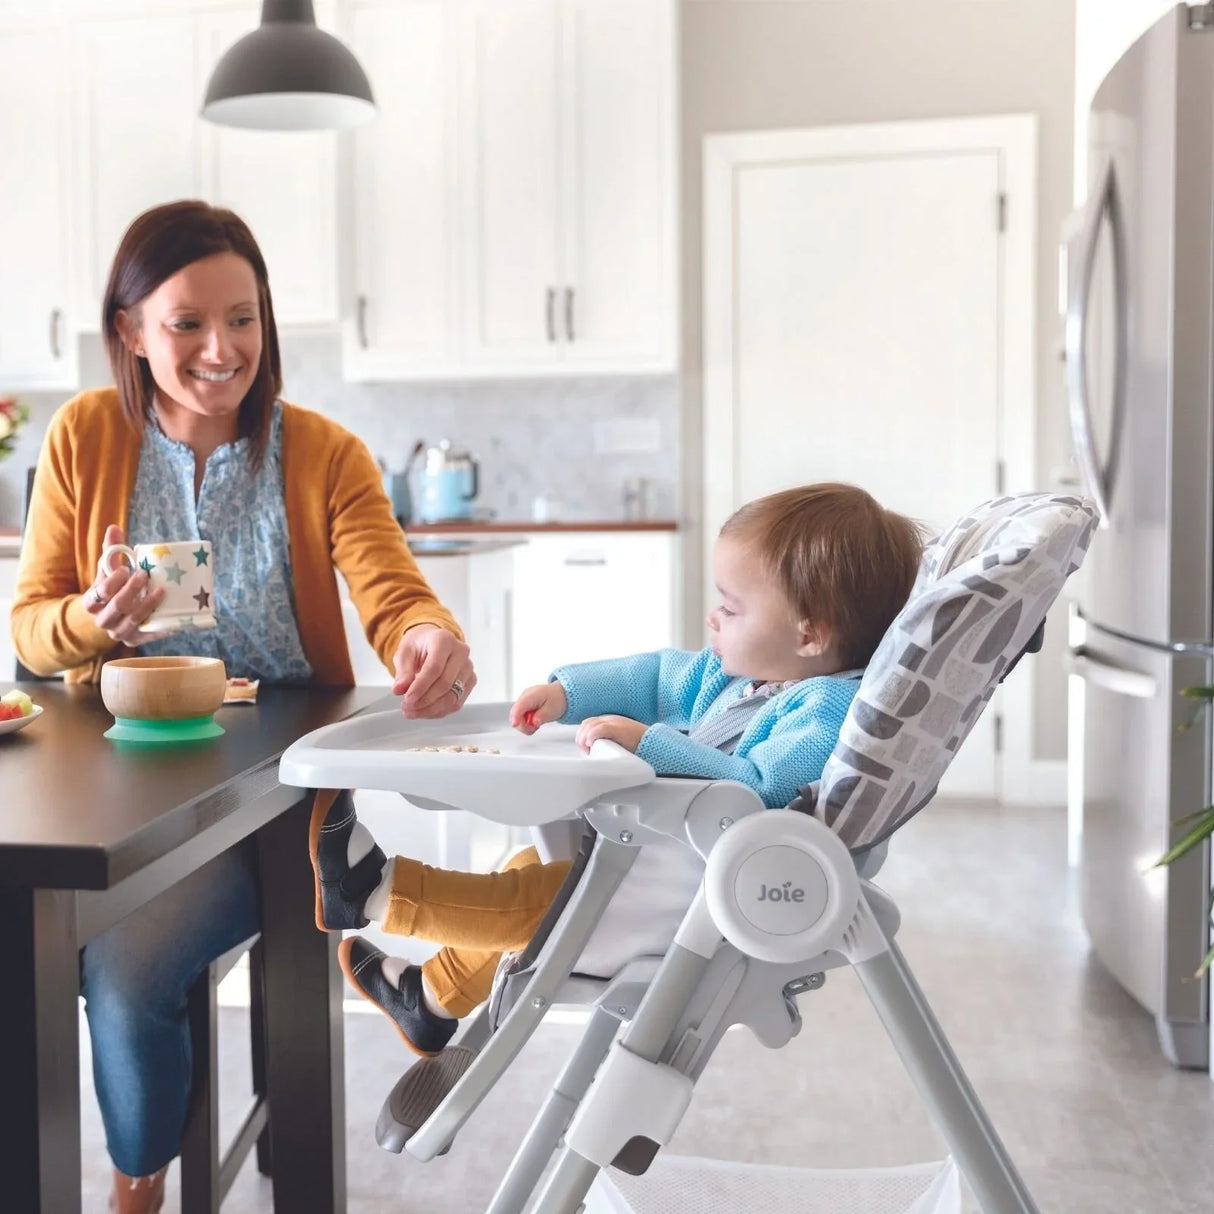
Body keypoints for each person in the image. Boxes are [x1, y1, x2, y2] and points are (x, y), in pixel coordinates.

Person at [11, 200, 476, 1214]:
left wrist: (424, 638)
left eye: (244, 318)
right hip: (115, 774)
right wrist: (91, 620)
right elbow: (30, 631)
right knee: (33, 932)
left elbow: (391, 591)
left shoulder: (324, 452)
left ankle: (135, 1188)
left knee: (123, 969)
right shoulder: (86, 435)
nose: (221, 350)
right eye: (186, 323)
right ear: (130, 330)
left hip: (273, 793)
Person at [309, 482, 924, 1056]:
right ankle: (433, 998)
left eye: (732, 609)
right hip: (645, 869)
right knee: (531, 873)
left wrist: (647, 744)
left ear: (809, 633)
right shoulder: (742, 677)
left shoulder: (826, 708)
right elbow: (656, 675)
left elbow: (757, 792)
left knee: (540, 904)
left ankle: (375, 894)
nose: (714, 619)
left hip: (686, 901)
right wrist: (567, 695)